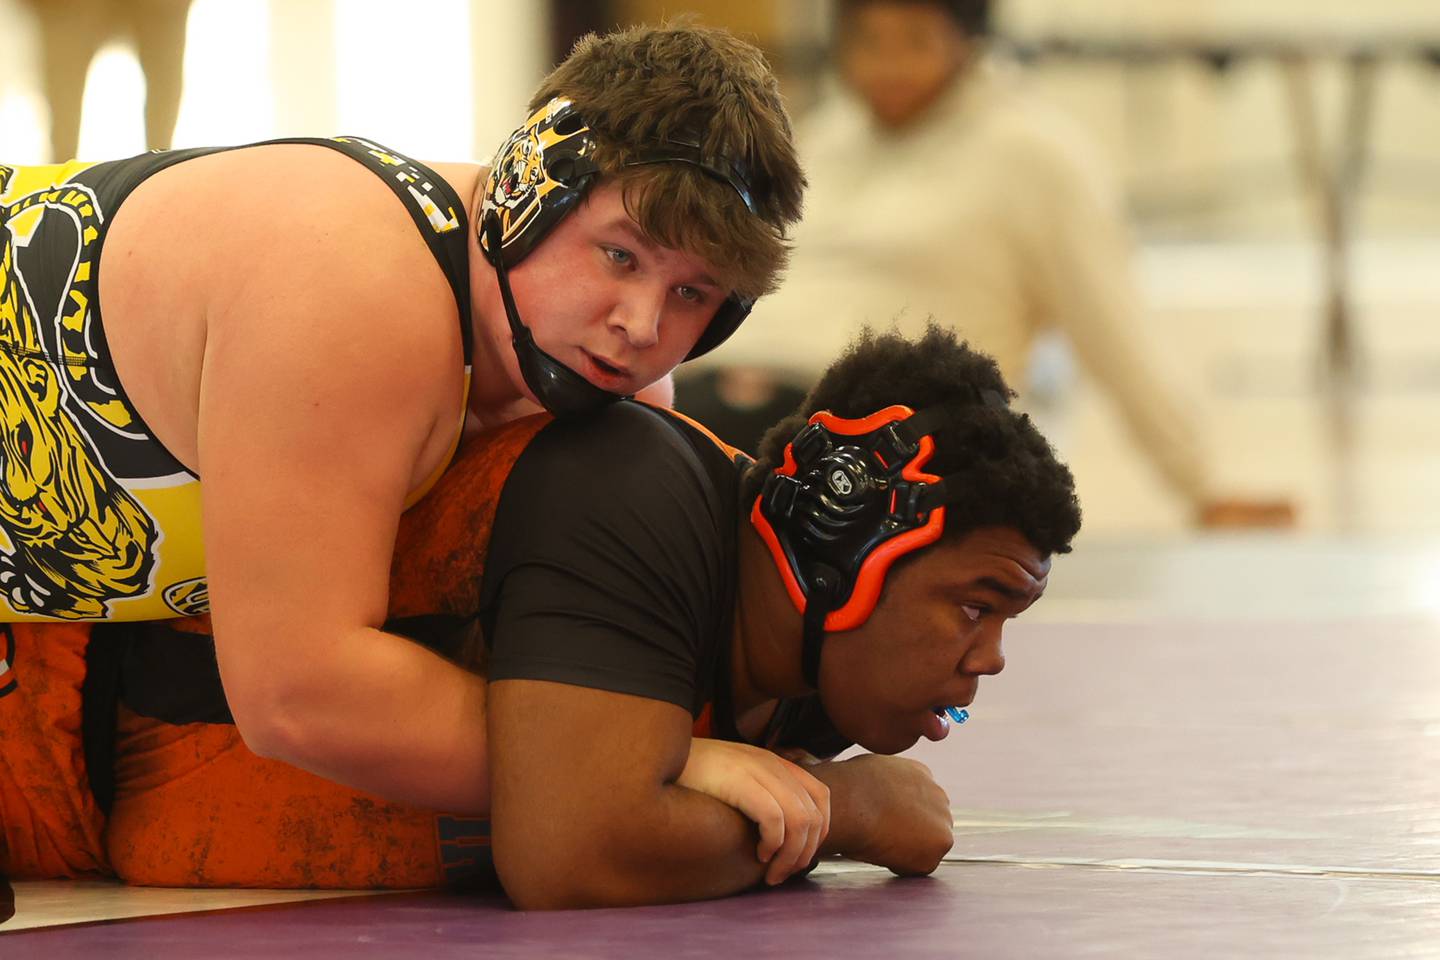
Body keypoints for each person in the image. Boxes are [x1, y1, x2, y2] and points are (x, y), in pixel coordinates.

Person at [0, 21, 804, 818]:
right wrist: (636, 761)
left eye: (691, 294)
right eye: (620, 255)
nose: (641, 324)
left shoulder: (603, 380)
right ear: (527, 191)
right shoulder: (354, 291)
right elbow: (297, 693)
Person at [1, 325, 1083, 909]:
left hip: (70, 825)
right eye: (972, 607)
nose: (987, 660)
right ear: (850, 549)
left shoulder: (800, 693)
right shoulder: (632, 489)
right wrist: (834, 811)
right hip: (34, 694)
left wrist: (746, 776)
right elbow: (572, 852)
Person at [701, 0, 1291, 526]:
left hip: (881, 433)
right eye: (868, 41)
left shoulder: (1035, 155)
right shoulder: (827, 136)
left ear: (967, 38)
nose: (888, 65)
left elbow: (1114, 332)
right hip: (732, 395)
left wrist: (1202, 485)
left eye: (914, 41)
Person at [21, 0, 196, 162]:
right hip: (67, 8)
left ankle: (162, 172)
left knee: (162, 145)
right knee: (61, 124)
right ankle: (57, 183)